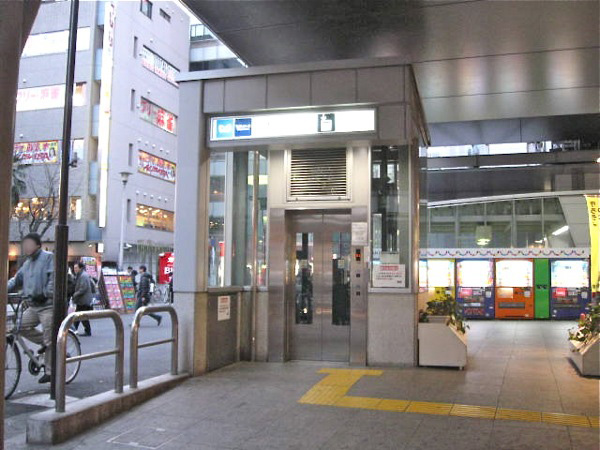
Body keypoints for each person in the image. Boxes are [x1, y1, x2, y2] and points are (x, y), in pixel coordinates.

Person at [7, 233, 54, 384]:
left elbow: (53, 279)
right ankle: (45, 343)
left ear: (38, 245)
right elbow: (15, 280)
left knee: (50, 337)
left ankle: (50, 371)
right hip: (33, 305)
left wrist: (46, 294)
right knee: (18, 327)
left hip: (47, 305)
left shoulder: (48, 258)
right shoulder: (27, 263)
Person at [71, 262, 93, 336]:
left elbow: (83, 288)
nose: (75, 269)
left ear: (80, 268)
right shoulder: (80, 275)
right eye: (74, 268)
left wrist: (75, 294)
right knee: (79, 315)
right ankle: (74, 330)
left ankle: (76, 330)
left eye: (76, 268)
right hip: (82, 299)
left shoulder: (83, 276)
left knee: (81, 316)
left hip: (83, 299)